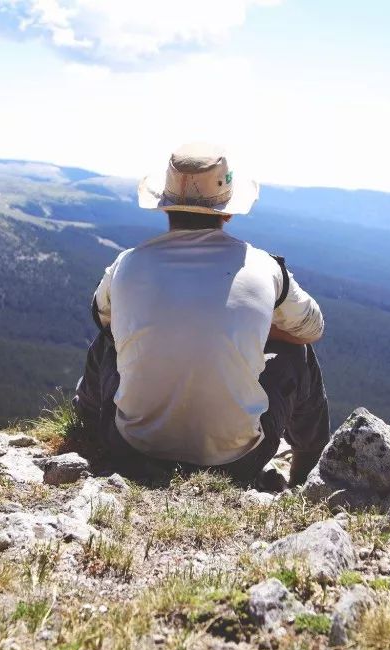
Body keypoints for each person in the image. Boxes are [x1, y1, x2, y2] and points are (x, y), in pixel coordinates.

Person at [73, 142, 330, 487]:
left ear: (165, 208)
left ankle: (87, 434)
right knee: (298, 353)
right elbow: (312, 328)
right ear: (228, 211)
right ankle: (308, 473)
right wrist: (253, 326)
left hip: (131, 450)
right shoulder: (265, 268)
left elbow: (102, 318)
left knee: (108, 340)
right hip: (237, 462)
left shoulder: (126, 264)